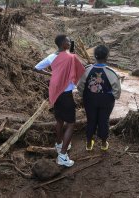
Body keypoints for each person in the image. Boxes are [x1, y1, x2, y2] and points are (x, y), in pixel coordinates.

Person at [34, 35, 85, 167]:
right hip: (66, 94)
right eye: (68, 41)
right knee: (71, 123)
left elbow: (36, 68)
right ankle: (62, 156)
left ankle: (59, 144)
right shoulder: (71, 57)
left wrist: (53, 74)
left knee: (59, 120)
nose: (70, 43)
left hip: (55, 92)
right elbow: (81, 70)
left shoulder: (51, 57)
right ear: (64, 45)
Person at [77, 45, 121, 151]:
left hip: (90, 99)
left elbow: (80, 85)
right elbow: (117, 90)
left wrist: (82, 95)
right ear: (107, 57)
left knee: (91, 119)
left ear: (95, 57)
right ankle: (103, 143)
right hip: (106, 100)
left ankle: (88, 143)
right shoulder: (111, 72)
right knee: (104, 120)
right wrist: (114, 97)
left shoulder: (87, 70)